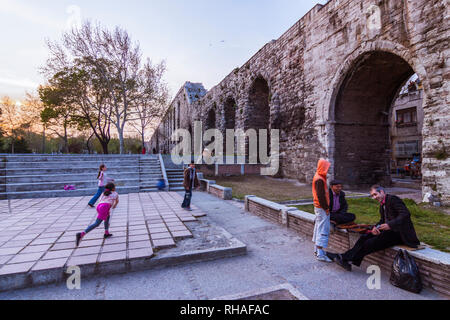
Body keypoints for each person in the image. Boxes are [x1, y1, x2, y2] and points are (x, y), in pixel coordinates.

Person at [330, 185, 420, 271]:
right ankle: (346, 259)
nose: (374, 197)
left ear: (381, 192)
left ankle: (345, 258)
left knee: (370, 243)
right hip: (390, 232)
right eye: (372, 196)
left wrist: (390, 225)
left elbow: (405, 214)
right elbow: (382, 220)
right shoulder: (382, 204)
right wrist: (375, 228)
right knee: (365, 237)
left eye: (375, 194)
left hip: (400, 234)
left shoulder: (393, 199)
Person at [312, 159, 333, 262]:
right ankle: (320, 253)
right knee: (323, 229)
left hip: (318, 207)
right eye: (326, 167)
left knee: (318, 227)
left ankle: (317, 250)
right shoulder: (320, 179)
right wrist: (326, 209)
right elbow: (321, 196)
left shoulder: (318, 176)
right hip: (321, 208)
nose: (327, 169)